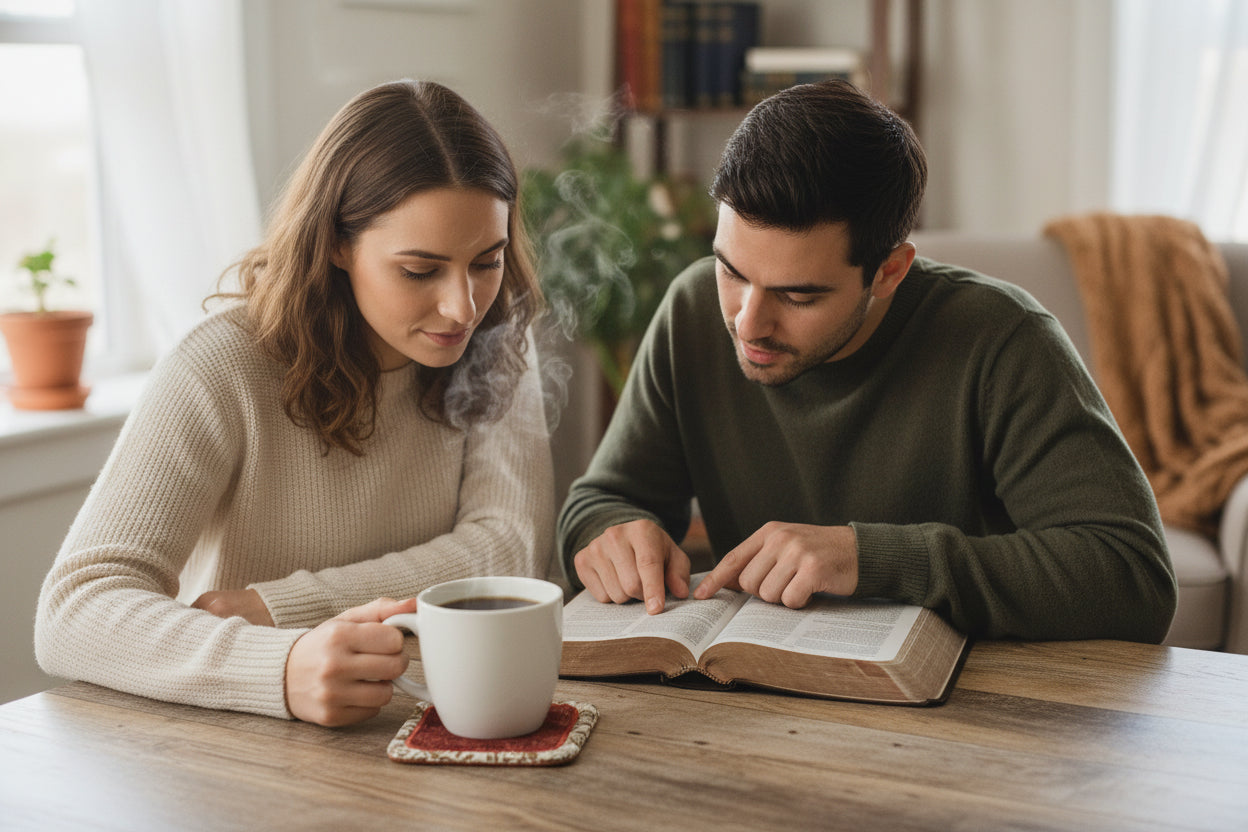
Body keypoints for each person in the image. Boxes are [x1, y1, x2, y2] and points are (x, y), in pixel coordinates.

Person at [558, 80, 1177, 643]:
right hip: (752, 705)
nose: (748, 322)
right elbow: (603, 498)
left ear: (889, 272)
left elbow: (1131, 575)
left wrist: (869, 558)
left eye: (799, 295)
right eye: (731, 270)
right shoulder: (693, 310)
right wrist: (611, 533)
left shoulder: (1004, 340)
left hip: (965, 716)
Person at [35, 80, 556, 726]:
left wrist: (274, 607)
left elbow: (508, 552)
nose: (463, 307)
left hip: (431, 722)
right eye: (419, 271)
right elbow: (75, 611)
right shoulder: (223, 366)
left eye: (487, 260)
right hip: (239, 749)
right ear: (337, 243)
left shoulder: (497, 339)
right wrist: (279, 666)